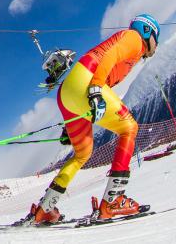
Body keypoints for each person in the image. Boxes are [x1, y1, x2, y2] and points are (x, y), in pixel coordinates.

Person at [23, 14, 161, 224]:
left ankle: (44, 210)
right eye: (155, 39)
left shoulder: (132, 51)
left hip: (69, 92)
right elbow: (111, 55)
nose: (155, 45)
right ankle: (113, 201)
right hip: (87, 80)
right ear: (148, 32)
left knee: (82, 154)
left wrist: (68, 128)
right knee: (129, 127)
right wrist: (96, 88)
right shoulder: (134, 39)